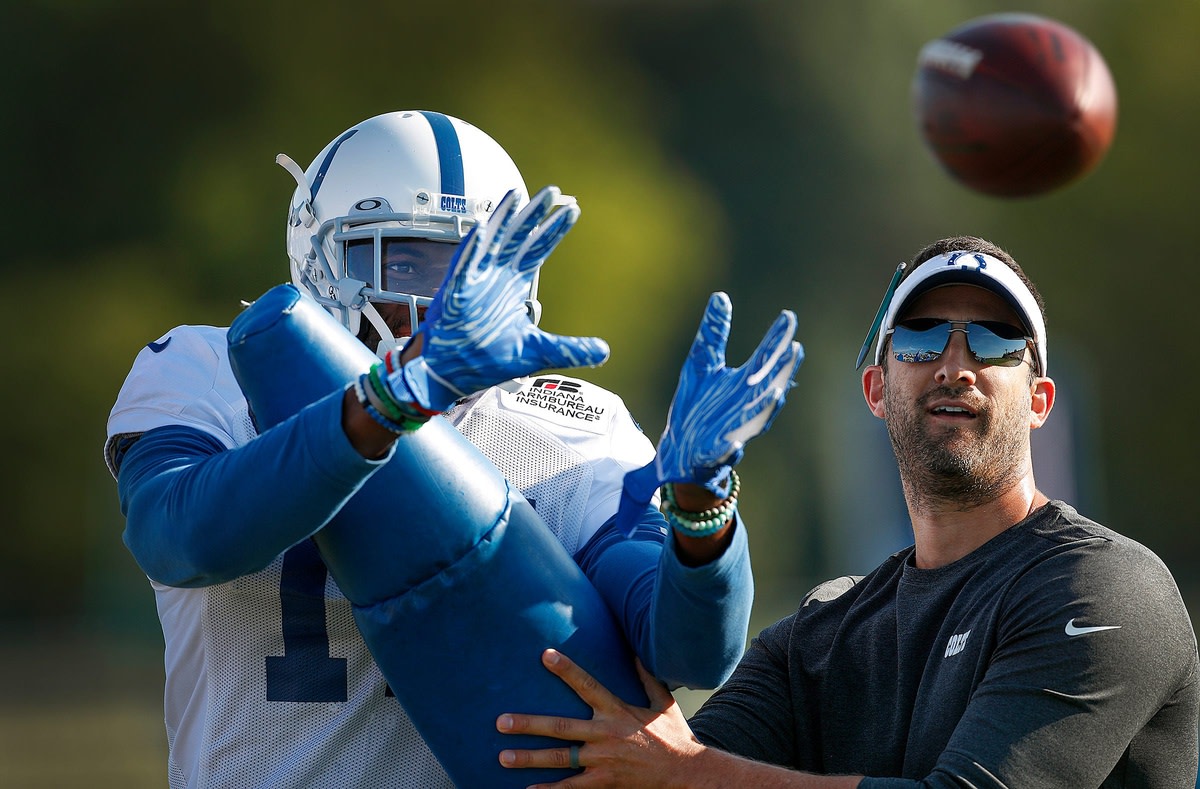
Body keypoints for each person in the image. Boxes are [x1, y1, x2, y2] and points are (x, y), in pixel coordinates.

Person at [103, 110, 803, 789]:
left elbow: (685, 651)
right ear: (319, 259)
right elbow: (180, 538)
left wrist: (702, 513)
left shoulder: (570, 424)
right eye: (406, 260)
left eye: (473, 266)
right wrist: (386, 405)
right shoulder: (210, 368)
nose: (445, 299)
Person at [496, 236, 1200, 788]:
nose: (955, 365)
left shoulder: (1104, 587)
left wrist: (684, 774)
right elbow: (651, 763)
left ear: (1039, 400)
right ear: (876, 389)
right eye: (922, 337)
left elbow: (682, 770)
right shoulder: (819, 636)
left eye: (993, 340)